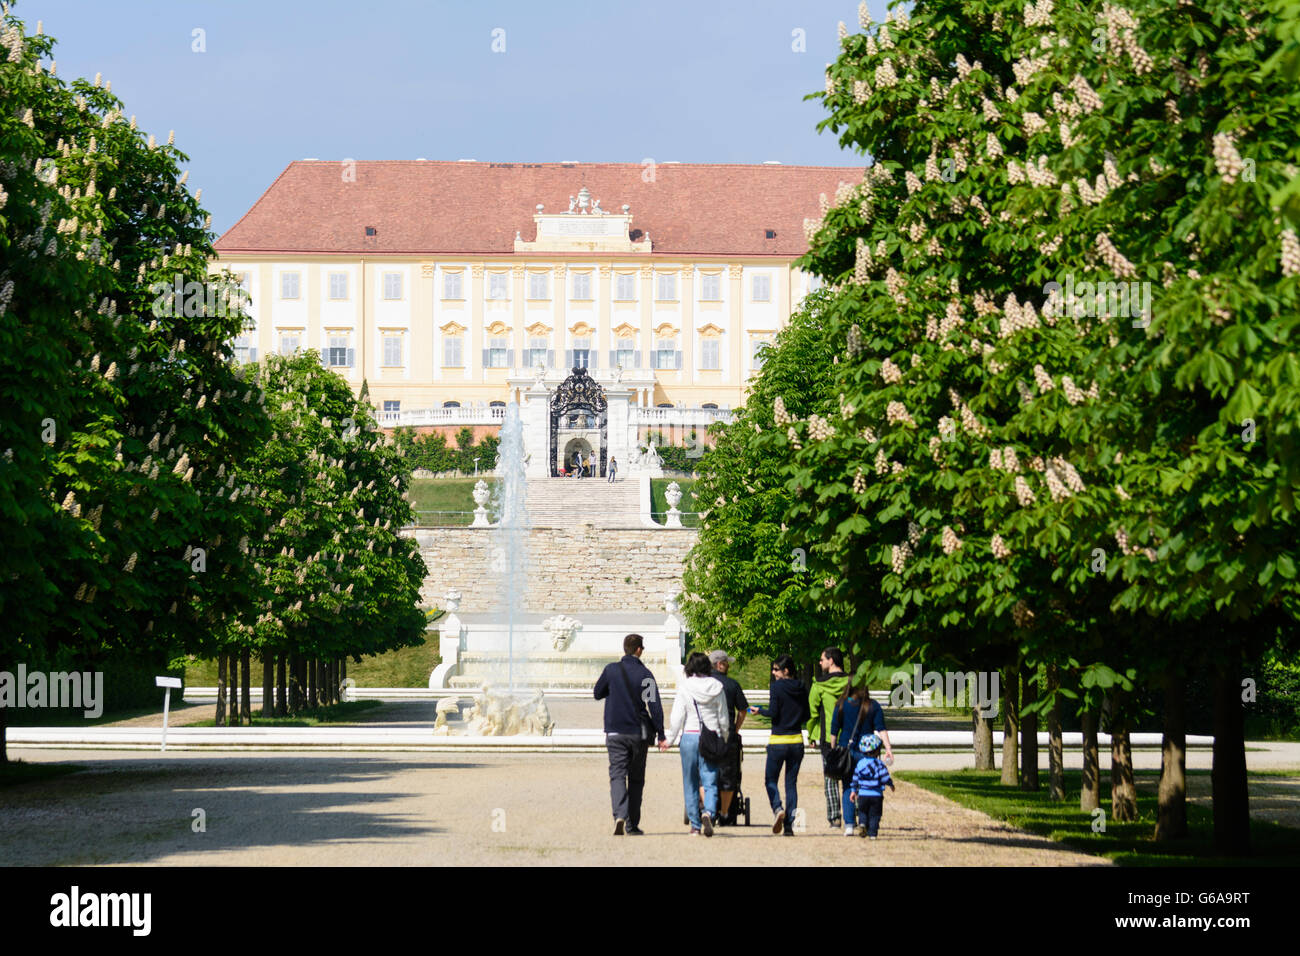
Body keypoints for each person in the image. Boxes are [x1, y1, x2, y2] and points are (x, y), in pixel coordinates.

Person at [594, 633, 667, 835]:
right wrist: (661, 733)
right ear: (638, 650)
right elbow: (655, 706)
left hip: (616, 731)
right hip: (638, 733)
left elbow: (597, 693)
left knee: (617, 775)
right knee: (636, 779)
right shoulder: (646, 674)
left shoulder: (611, 670)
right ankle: (632, 825)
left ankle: (619, 814)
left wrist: (614, 690)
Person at [665, 652, 730, 836]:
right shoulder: (717, 687)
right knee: (710, 780)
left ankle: (695, 825)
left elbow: (677, 717)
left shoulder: (685, 687)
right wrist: (724, 736)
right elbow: (723, 716)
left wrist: (670, 739)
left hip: (690, 736)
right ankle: (708, 811)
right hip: (711, 735)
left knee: (690, 782)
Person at [748, 654, 810, 835]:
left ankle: (777, 808)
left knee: (770, 780)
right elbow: (806, 714)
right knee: (791, 784)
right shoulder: (801, 687)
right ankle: (789, 826)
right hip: (796, 740)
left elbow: (774, 712)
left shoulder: (777, 688)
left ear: (786, 670)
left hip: (778, 740)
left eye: (776, 669)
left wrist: (760, 711)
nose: (773, 672)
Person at [831, 681, 889, 835]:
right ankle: (865, 820)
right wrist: (888, 748)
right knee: (867, 786)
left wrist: (834, 750)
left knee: (848, 786)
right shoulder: (872, 705)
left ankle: (849, 824)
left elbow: (834, 730)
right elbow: (881, 728)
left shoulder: (842, 704)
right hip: (867, 753)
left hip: (846, 750)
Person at [806, 646, 851, 829]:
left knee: (830, 777)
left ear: (831, 660)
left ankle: (834, 817)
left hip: (827, 737)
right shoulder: (851, 682)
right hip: (849, 735)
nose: (820, 662)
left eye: (822, 659)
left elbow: (813, 712)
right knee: (851, 775)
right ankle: (853, 813)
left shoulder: (819, 685)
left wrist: (812, 735)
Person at [708, 650, 748, 825]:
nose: (729, 665)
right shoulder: (732, 684)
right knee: (729, 774)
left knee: (707, 772)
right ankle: (727, 813)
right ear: (720, 664)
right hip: (728, 735)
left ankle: (708, 809)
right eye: (726, 662)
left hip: (709, 734)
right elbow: (742, 710)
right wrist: (736, 729)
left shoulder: (704, 684)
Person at [847, 733, 895, 839]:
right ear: (877, 750)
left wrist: (853, 790)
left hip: (863, 794)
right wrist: (890, 784)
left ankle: (863, 823)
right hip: (876, 795)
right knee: (875, 814)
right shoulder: (879, 764)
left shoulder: (860, 764)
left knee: (862, 811)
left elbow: (855, 779)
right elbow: (884, 777)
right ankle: (872, 833)